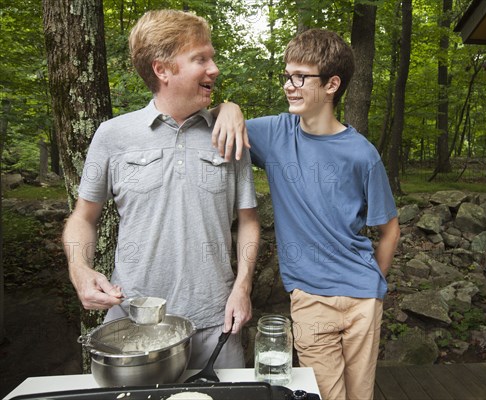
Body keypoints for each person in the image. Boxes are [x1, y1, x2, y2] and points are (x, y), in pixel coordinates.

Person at [62, 9, 259, 369]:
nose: (214, 68)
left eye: (211, 57)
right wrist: (79, 267)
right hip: (134, 324)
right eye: (200, 58)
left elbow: (248, 220)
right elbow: (82, 217)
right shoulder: (112, 135)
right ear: (162, 69)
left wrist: (242, 287)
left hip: (217, 323)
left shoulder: (229, 134)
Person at [216, 29, 400, 400]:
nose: (289, 85)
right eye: (287, 75)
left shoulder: (362, 154)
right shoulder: (274, 134)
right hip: (311, 298)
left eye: (301, 77)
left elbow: (389, 228)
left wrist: (373, 286)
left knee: (360, 395)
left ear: (332, 84)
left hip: (363, 299)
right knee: (328, 396)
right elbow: (218, 123)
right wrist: (229, 106)